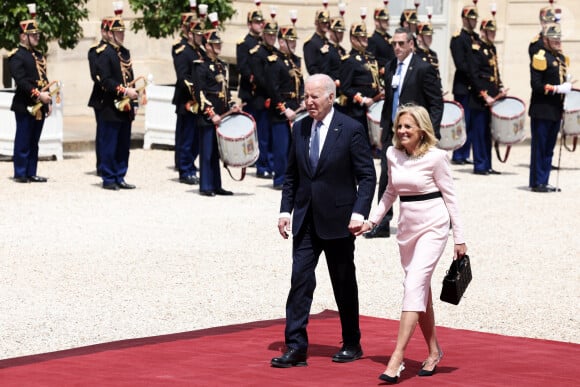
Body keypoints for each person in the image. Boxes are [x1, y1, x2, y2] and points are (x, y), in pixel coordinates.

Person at [355, 104, 467, 383]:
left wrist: (460, 238)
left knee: (413, 285)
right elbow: (390, 191)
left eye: (408, 126)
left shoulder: (437, 158)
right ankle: (433, 351)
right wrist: (372, 221)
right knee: (421, 292)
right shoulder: (392, 154)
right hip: (407, 228)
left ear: (421, 130)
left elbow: (451, 198)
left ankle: (397, 357)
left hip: (433, 225)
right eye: (399, 126)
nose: (402, 131)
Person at [271, 74, 376, 368]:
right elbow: (291, 175)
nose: (308, 102)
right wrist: (284, 211)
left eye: (315, 96)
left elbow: (367, 176)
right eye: (306, 96)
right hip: (305, 220)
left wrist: (358, 213)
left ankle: (352, 342)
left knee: (343, 283)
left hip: (340, 221)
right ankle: (295, 347)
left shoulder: (351, 129)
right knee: (300, 282)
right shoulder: (301, 128)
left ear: (331, 98)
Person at [365, 27, 443, 240]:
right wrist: (383, 129)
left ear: (411, 44)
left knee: (426, 176)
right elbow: (390, 100)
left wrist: (429, 131)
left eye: (401, 43)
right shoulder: (390, 67)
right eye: (394, 44)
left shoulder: (423, 68)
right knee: (386, 176)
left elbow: (436, 103)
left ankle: (439, 218)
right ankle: (381, 223)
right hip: (393, 131)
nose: (397, 48)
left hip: (417, 133)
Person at [193, 29, 239, 197]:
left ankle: (216, 184)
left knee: (217, 153)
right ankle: (206, 185)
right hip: (209, 117)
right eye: (215, 44)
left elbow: (225, 92)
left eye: (219, 43)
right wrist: (211, 114)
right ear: (207, 46)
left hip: (222, 116)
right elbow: (200, 93)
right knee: (206, 152)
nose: (218, 46)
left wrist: (232, 106)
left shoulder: (220, 65)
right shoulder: (200, 66)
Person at [96, 9, 139, 190]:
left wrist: (134, 101)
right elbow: (105, 80)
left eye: (122, 32)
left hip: (126, 104)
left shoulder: (125, 53)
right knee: (110, 142)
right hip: (111, 104)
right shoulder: (103, 53)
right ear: (110, 33)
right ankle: (109, 177)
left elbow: (130, 76)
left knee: (123, 144)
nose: (121, 35)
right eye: (118, 32)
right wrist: (124, 92)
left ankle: (120, 175)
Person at [9, 10, 52, 183]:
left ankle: (31, 171)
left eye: (36, 34)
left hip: (40, 104)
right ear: (22, 37)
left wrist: (47, 100)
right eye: (32, 35)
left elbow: (43, 78)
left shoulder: (39, 55)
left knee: (34, 140)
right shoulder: (16, 56)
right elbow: (21, 81)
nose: (36, 37)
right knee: (23, 139)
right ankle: (20, 172)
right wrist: (38, 94)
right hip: (25, 103)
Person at [528, 23, 571, 193]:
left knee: (549, 148)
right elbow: (537, 85)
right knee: (540, 147)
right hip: (542, 108)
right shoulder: (540, 57)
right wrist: (557, 89)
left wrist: (566, 89)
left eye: (559, 39)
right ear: (545, 40)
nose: (557, 42)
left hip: (555, 109)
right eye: (554, 39)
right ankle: (537, 182)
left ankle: (544, 180)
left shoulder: (560, 58)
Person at [264, 25, 304, 190]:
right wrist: (284, 108)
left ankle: (293, 179)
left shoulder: (296, 60)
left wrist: (303, 99)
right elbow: (273, 89)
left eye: (294, 41)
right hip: (281, 111)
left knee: (296, 147)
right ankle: (280, 178)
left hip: (297, 108)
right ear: (281, 42)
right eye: (290, 41)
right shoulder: (274, 61)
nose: (293, 44)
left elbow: (300, 83)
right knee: (281, 148)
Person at [469, 19, 506, 175]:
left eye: (494, 31)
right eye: (490, 31)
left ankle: (488, 164)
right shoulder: (476, 49)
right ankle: (480, 165)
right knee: (479, 132)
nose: (493, 34)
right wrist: (484, 95)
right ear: (483, 32)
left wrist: (501, 87)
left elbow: (495, 72)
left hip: (493, 96)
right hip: (480, 98)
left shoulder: (492, 48)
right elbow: (474, 75)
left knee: (487, 133)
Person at [236, 9, 271, 178]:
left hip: (264, 94)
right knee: (251, 131)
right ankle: (251, 159)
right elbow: (243, 67)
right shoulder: (244, 43)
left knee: (264, 131)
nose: (260, 25)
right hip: (252, 93)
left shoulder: (265, 43)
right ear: (249, 24)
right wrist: (256, 79)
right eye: (257, 22)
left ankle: (263, 162)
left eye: (261, 22)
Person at [171, 13, 203, 186]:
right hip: (188, 101)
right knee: (187, 137)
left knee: (196, 138)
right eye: (197, 34)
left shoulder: (200, 50)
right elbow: (184, 77)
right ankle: (185, 170)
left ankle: (191, 166)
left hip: (199, 102)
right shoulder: (183, 52)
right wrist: (197, 93)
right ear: (189, 34)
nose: (200, 37)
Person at [338, 22, 382, 137]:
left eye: (365, 36)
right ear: (353, 39)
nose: (365, 39)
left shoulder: (370, 57)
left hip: (375, 105)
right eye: (361, 36)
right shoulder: (349, 61)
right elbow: (345, 87)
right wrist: (362, 99)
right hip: (358, 110)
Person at [249, 19, 279, 179]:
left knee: (274, 136)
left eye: (274, 35)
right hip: (263, 99)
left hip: (274, 100)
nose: (272, 38)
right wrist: (274, 90)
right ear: (264, 35)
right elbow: (259, 78)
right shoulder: (257, 53)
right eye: (269, 35)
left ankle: (273, 164)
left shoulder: (276, 53)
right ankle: (262, 166)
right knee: (263, 136)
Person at [450, 5, 479, 165]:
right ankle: (458, 153)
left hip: (475, 87)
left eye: (475, 19)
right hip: (464, 85)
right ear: (464, 19)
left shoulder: (476, 37)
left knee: (473, 122)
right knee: (463, 121)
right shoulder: (458, 38)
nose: (474, 22)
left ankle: (466, 152)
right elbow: (461, 63)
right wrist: (476, 75)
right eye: (471, 19)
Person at [88, 18, 110, 177]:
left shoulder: (121, 51)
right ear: (103, 32)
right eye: (109, 31)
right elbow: (96, 76)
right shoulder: (96, 51)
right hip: (103, 97)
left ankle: (113, 165)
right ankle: (102, 166)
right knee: (104, 133)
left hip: (119, 97)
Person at [367, 7, 395, 77]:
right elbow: (371, 61)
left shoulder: (389, 38)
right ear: (376, 22)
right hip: (382, 75)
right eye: (384, 20)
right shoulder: (372, 39)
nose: (387, 22)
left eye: (387, 20)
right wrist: (380, 69)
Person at [303, 10, 331, 76]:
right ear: (316, 23)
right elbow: (312, 68)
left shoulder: (327, 41)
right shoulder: (311, 43)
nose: (326, 25)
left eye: (327, 22)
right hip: (319, 82)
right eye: (323, 22)